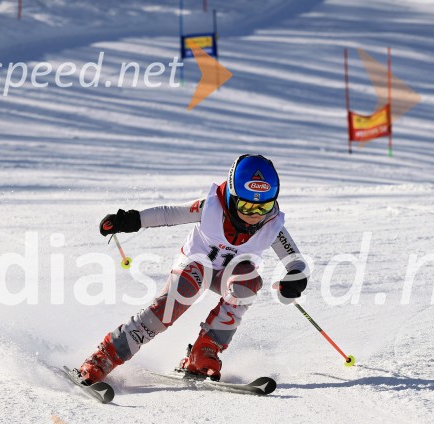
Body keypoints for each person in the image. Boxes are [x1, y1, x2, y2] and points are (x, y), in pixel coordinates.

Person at [77, 154, 308, 383]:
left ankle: (204, 352)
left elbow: (295, 260)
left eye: (264, 206)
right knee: (175, 300)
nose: (255, 216)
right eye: (247, 207)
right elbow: (168, 214)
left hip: (229, 275)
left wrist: (295, 277)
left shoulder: (271, 223)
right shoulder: (211, 207)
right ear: (232, 197)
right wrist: (131, 220)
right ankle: (104, 356)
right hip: (196, 264)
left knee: (247, 283)